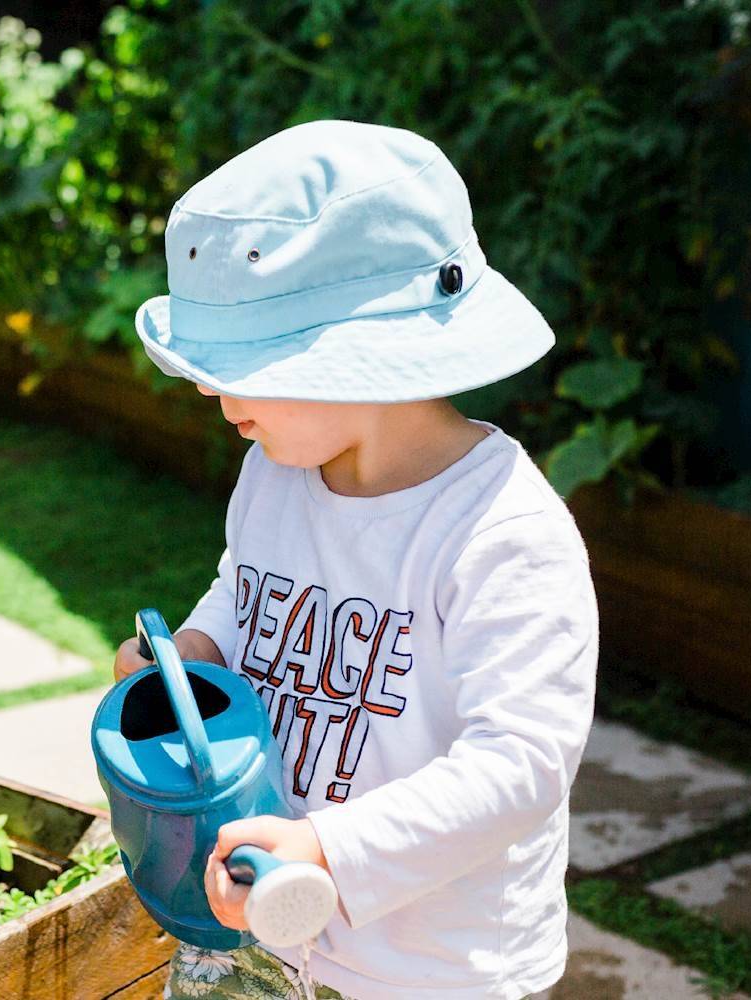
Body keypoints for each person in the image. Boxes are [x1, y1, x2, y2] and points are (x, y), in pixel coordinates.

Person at [111, 120, 598, 1000]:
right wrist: (194, 655)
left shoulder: (500, 531)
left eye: (238, 365)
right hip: (254, 914)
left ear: (358, 357)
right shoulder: (275, 473)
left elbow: (520, 763)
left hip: (426, 966)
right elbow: (242, 588)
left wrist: (332, 849)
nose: (208, 390)